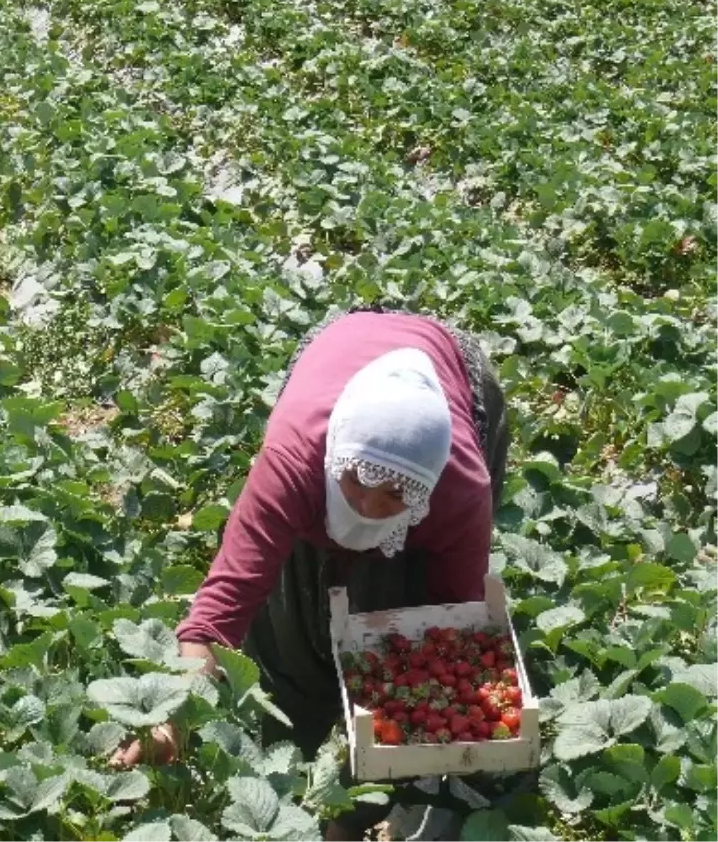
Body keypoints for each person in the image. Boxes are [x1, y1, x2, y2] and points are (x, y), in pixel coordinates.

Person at [115, 306, 510, 841]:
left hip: (455, 375)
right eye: (358, 480)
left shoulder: (458, 488)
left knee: (399, 644)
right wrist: (174, 715)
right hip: (336, 358)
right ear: (336, 456)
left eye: (396, 494)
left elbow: (444, 630)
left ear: (424, 490)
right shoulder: (297, 459)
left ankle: (348, 822)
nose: (369, 507)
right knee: (286, 629)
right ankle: (288, 789)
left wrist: (403, 718)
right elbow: (222, 605)